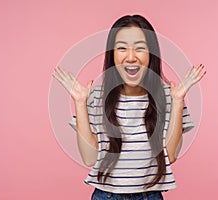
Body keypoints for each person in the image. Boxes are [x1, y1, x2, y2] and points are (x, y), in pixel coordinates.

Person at [52, 14, 206, 200]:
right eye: (122, 48)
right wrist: (79, 102)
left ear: (152, 54)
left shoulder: (170, 96)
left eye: (140, 48)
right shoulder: (96, 97)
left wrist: (178, 101)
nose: (131, 57)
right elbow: (89, 158)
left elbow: (171, 155)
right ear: (112, 54)